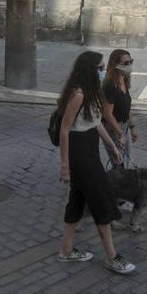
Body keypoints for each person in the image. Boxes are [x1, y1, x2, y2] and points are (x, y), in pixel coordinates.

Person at [55, 51, 134, 275]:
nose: (103, 71)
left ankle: (66, 250)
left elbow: (97, 122)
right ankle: (112, 256)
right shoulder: (79, 94)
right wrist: (64, 166)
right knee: (101, 200)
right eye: (99, 68)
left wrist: (112, 145)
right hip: (80, 151)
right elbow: (65, 129)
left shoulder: (92, 92)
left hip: (90, 147)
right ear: (90, 70)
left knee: (77, 201)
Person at [102, 49, 136, 167]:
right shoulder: (110, 85)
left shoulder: (124, 79)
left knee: (125, 162)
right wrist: (121, 134)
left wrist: (132, 127)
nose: (130, 65)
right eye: (126, 63)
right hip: (113, 129)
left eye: (131, 61)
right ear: (116, 65)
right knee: (119, 163)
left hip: (124, 127)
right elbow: (107, 114)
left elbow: (127, 106)